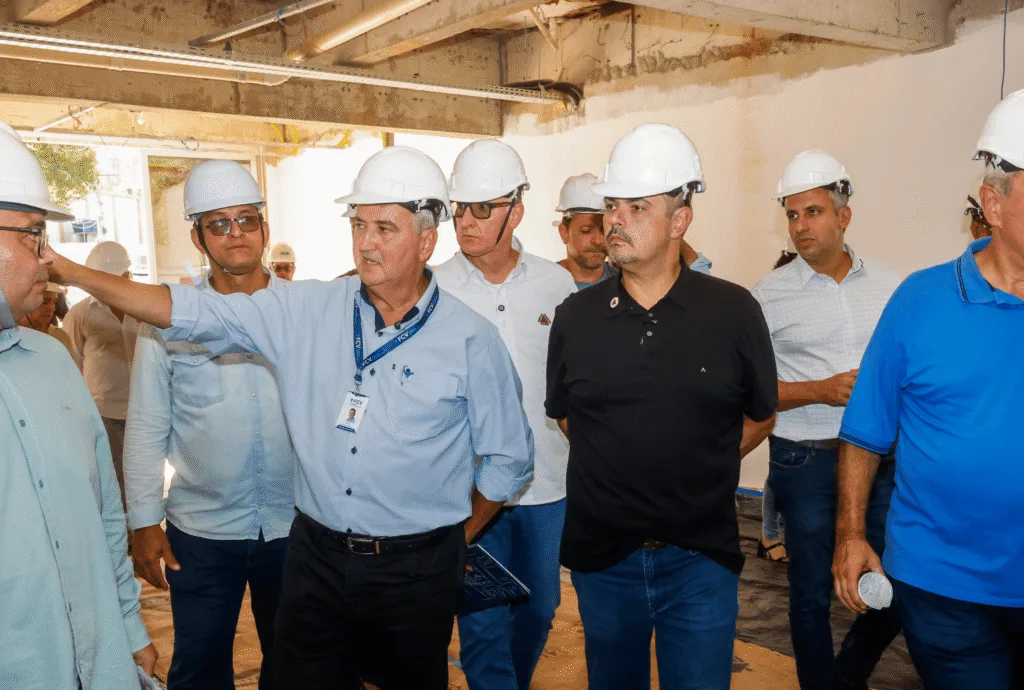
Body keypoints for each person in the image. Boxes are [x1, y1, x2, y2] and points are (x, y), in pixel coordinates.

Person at [46, 144, 535, 690]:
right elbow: (188, 312)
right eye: (359, 224)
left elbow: (509, 460)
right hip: (314, 559)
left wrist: (454, 537)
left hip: (415, 569)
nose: (365, 242)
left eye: (384, 228)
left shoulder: (470, 340)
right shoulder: (308, 309)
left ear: (426, 240)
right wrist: (69, 270)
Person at [546, 123, 777, 690]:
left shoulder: (734, 312)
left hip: (700, 560)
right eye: (611, 205)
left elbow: (761, 414)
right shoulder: (575, 318)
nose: (615, 220)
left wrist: (702, 464)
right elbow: (569, 417)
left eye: (637, 206)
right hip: (604, 562)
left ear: (680, 220)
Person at [835, 89, 1024, 690]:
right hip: (943, 584)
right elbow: (865, 430)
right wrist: (851, 535)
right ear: (993, 205)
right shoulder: (921, 301)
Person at [124, 160, 298, 690]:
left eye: (247, 219)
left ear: (264, 227)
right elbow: (146, 426)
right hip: (201, 530)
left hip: (295, 524)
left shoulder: (303, 312)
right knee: (199, 668)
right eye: (218, 223)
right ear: (198, 238)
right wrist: (144, 522)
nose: (236, 233)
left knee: (298, 666)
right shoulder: (168, 321)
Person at [0, 120, 157, 688]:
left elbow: (104, 512)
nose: (49, 259)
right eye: (34, 236)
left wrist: (129, 626)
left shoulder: (51, 362)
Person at [751, 150, 903, 690]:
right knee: (810, 594)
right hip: (804, 459)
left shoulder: (892, 287)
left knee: (894, 584)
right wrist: (822, 389)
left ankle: (846, 677)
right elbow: (750, 390)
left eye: (812, 212)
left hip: (882, 460)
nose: (800, 226)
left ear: (844, 216)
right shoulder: (767, 296)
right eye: (792, 215)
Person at [434, 139, 577, 690]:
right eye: (459, 209)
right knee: (482, 620)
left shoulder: (555, 284)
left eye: (481, 208)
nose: (465, 221)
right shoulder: (435, 289)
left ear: (515, 212)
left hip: (546, 487)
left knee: (539, 610)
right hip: (468, 490)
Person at [63, 240, 139, 510]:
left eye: (122, 277)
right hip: (104, 413)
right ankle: (122, 531)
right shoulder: (80, 314)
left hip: (143, 411)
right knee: (112, 482)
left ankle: (144, 527)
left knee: (142, 478)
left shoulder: (141, 310)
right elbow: (70, 365)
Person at [556, 173, 712, 290]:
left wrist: (669, 227)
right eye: (586, 231)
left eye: (603, 229)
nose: (598, 240)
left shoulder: (627, 282)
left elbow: (699, 281)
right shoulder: (548, 282)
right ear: (564, 233)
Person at [756, 249, 798, 565]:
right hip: (782, 402)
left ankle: (776, 532)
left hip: (807, 406)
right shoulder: (768, 309)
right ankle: (769, 535)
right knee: (779, 475)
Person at [17, 281, 74, 355]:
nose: (52, 308)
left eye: (55, 302)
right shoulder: (8, 335)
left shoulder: (60, 336)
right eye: (45, 301)